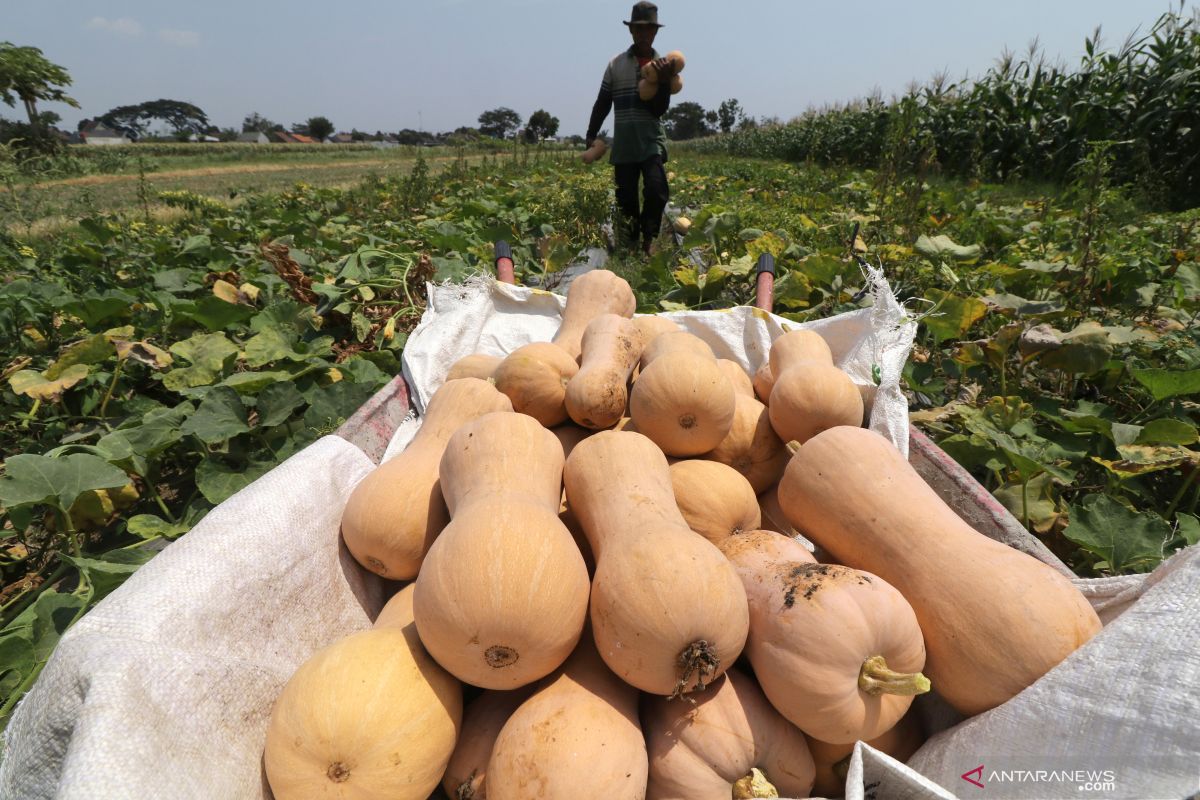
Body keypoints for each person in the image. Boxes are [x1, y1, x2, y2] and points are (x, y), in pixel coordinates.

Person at [585, 1, 677, 255]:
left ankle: (649, 239)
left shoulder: (663, 65)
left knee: (657, 190)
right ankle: (630, 244)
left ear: (655, 32)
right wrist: (591, 135)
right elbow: (603, 103)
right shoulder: (616, 64)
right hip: (625, 143)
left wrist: (665, 82)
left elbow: (659, 109)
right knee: (626, 200)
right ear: (631, 31)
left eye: (648, 29)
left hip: (650, 141)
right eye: (638, 29)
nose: (643, 34)